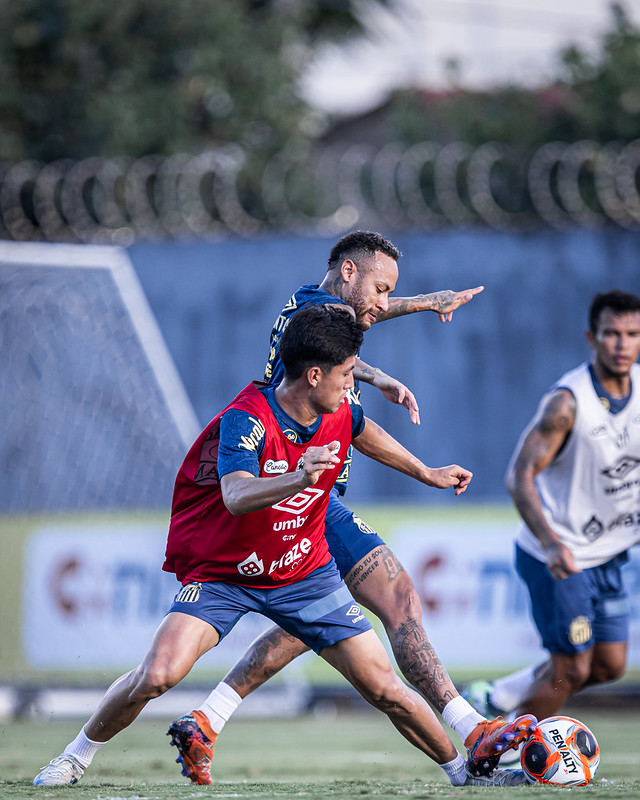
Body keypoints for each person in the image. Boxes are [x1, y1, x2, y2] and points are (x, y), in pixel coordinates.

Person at [33, 306, 532, 788]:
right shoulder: (246, 418)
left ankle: (465, 774)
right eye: (346, 374)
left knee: (385, 687)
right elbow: (235, 494)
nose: (351, 384)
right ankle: (74, 756)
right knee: (157, 674)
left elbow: (363, 431)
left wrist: (426, 472)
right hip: (225, 575)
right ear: (313, 375)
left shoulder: (338, 408)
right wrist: (298, 476)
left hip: (304, 573)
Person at [156, 230, 534, 784]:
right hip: (306, 500)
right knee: (396, 597)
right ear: (350, 273)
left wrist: (420, 313)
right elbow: (356, 334)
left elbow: (358, 340)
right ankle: (473, 728)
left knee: (308, 625)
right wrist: (401, 339)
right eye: (380, 288)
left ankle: (207, 721)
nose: (384, 303)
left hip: (311, 496)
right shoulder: (322, 315)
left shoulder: (314, 308)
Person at [463, 289, 640, 729]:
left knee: (610, 666)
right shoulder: (567, 403)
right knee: (572, 670)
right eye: (612, 334)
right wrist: (551, 542)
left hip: (611, 555)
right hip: (559, 557)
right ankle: (502, 749)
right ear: (591, 338)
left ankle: (499, 694)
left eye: (632, 334)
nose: (622, 344)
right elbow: (518, 476)